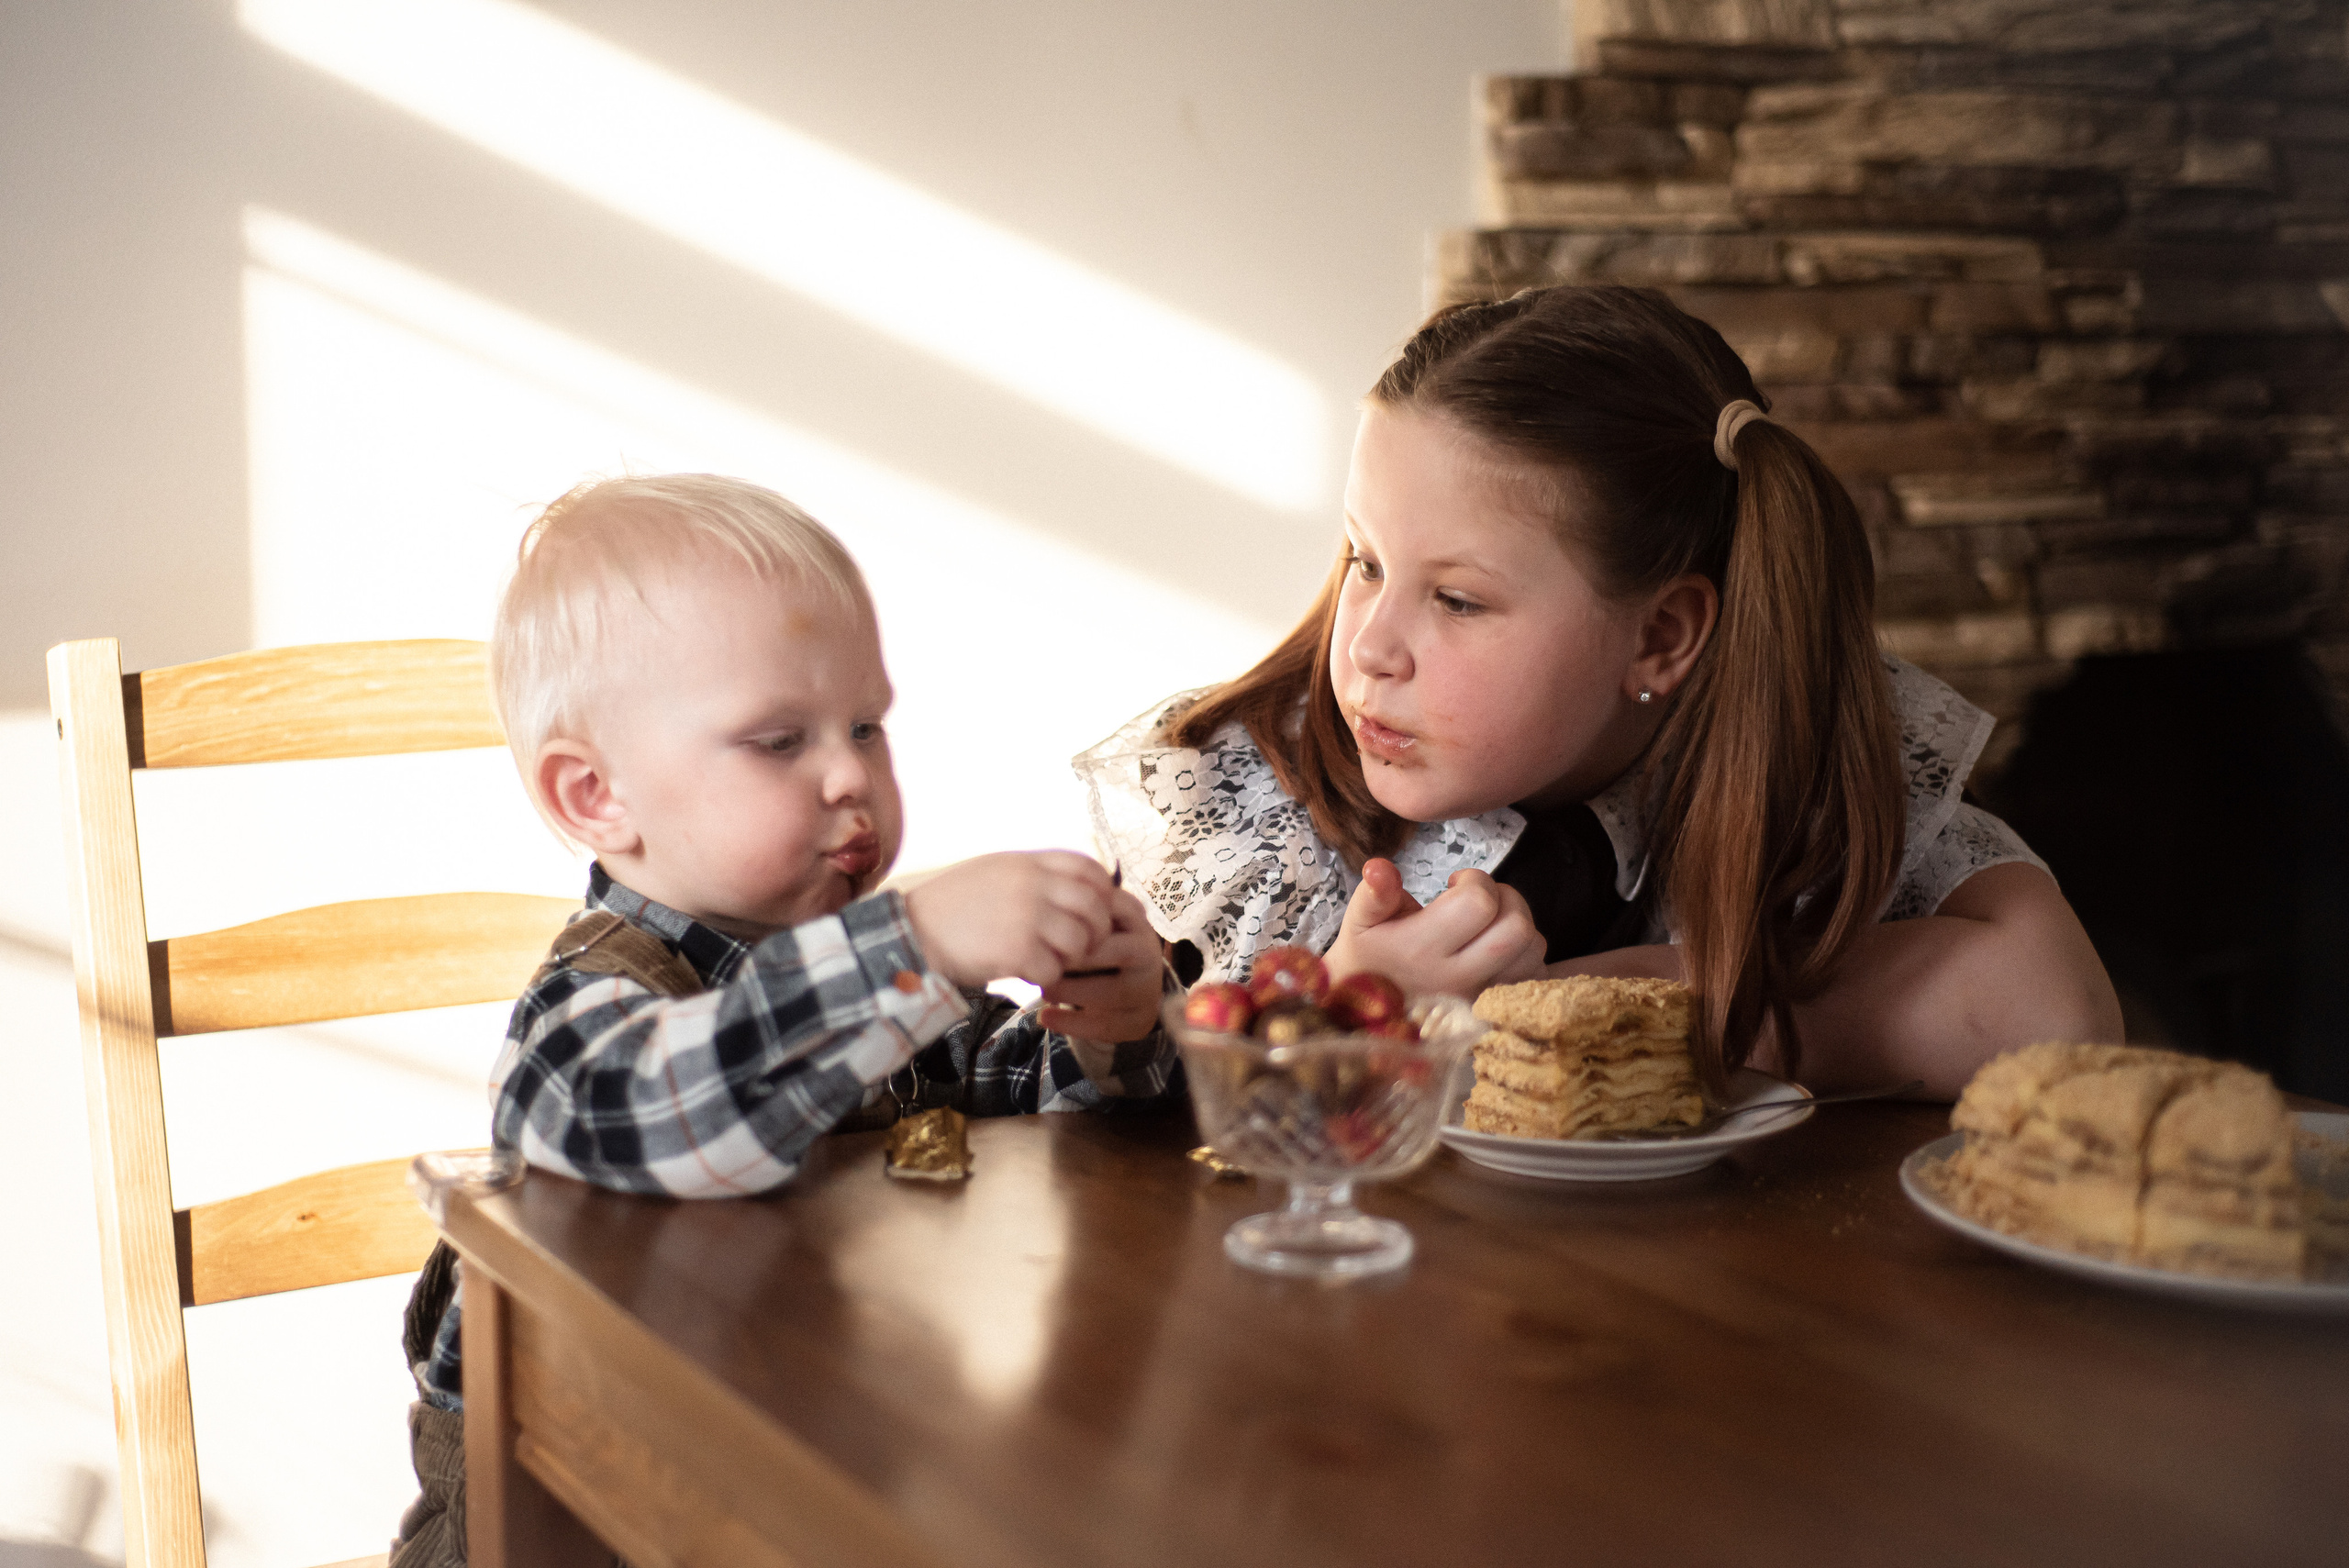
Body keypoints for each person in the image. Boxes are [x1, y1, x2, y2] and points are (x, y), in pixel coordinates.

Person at [1077, 284, 2119, 1103]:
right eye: (1364, 559)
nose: (1370, 646)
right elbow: (1125, 1124)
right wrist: (1348, 1008)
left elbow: (2053, 1007)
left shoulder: (1789, 738)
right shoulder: (1248, 794)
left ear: (1661, 637)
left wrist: (1542, 1009)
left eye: (1457, 599)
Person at [391, 473, 1170, 1566]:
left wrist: (1108, 1028)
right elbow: (683, 1108)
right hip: (565, 1526)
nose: (851, 774)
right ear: (596, 797)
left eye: (866, 725)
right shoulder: (583, 1019)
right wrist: (915, 944)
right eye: (777, 739)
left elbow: (1013, 1094)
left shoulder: (879, 986)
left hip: (796, 1479)